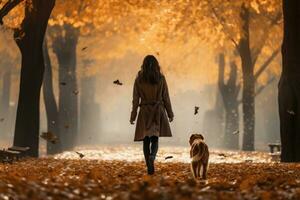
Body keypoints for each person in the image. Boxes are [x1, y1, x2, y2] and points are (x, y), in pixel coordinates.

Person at [130, 55, 174, 175]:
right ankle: (152, 157)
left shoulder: (139, 79)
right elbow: (166, 97)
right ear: (156, 65)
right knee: (155, 138)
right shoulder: (161, 78)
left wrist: (133, 115)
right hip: (157, 111)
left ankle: (148, 163)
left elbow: (135, 99)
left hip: (145, 111)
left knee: (145, 139)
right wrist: (170, 113)